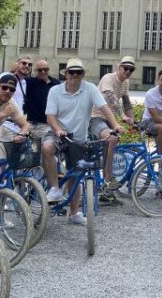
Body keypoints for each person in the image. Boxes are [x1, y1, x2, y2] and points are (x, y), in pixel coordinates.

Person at [42, 58, 123, 224]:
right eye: (71, 72)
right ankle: (55, 188)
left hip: (78, 138)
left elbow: (104, 108)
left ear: (83, 74)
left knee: (75, 175)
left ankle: (74, 214)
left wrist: (115, 125)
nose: (75, 75)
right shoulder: (55, 91)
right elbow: (50, 117)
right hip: (58, 133)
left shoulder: (90, 88)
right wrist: (58, 130)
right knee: (47, 147)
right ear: (65, 73)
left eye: (78, 72)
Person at [93, 56, 137, 191]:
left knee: (117, 142)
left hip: (110, 119)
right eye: (126, 68)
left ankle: (107, 190)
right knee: (112, 139)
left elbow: (126, 102)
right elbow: (112, 99)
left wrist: (133, 121)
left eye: (131, 69)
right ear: (119, 67)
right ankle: (108, 177)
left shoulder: (125, 83)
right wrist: (122, 116)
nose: (128, 72)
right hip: (96, 117)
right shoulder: (108, 78)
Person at [22, 59, 61, 139]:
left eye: (45, 69)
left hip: (46, 125)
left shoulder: (56, 84)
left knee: (44, 148)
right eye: (40, 70)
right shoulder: (29, 82)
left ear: (49, 70)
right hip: (29, 123)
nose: (43, 72)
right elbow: (14, 78)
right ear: (36, 71)